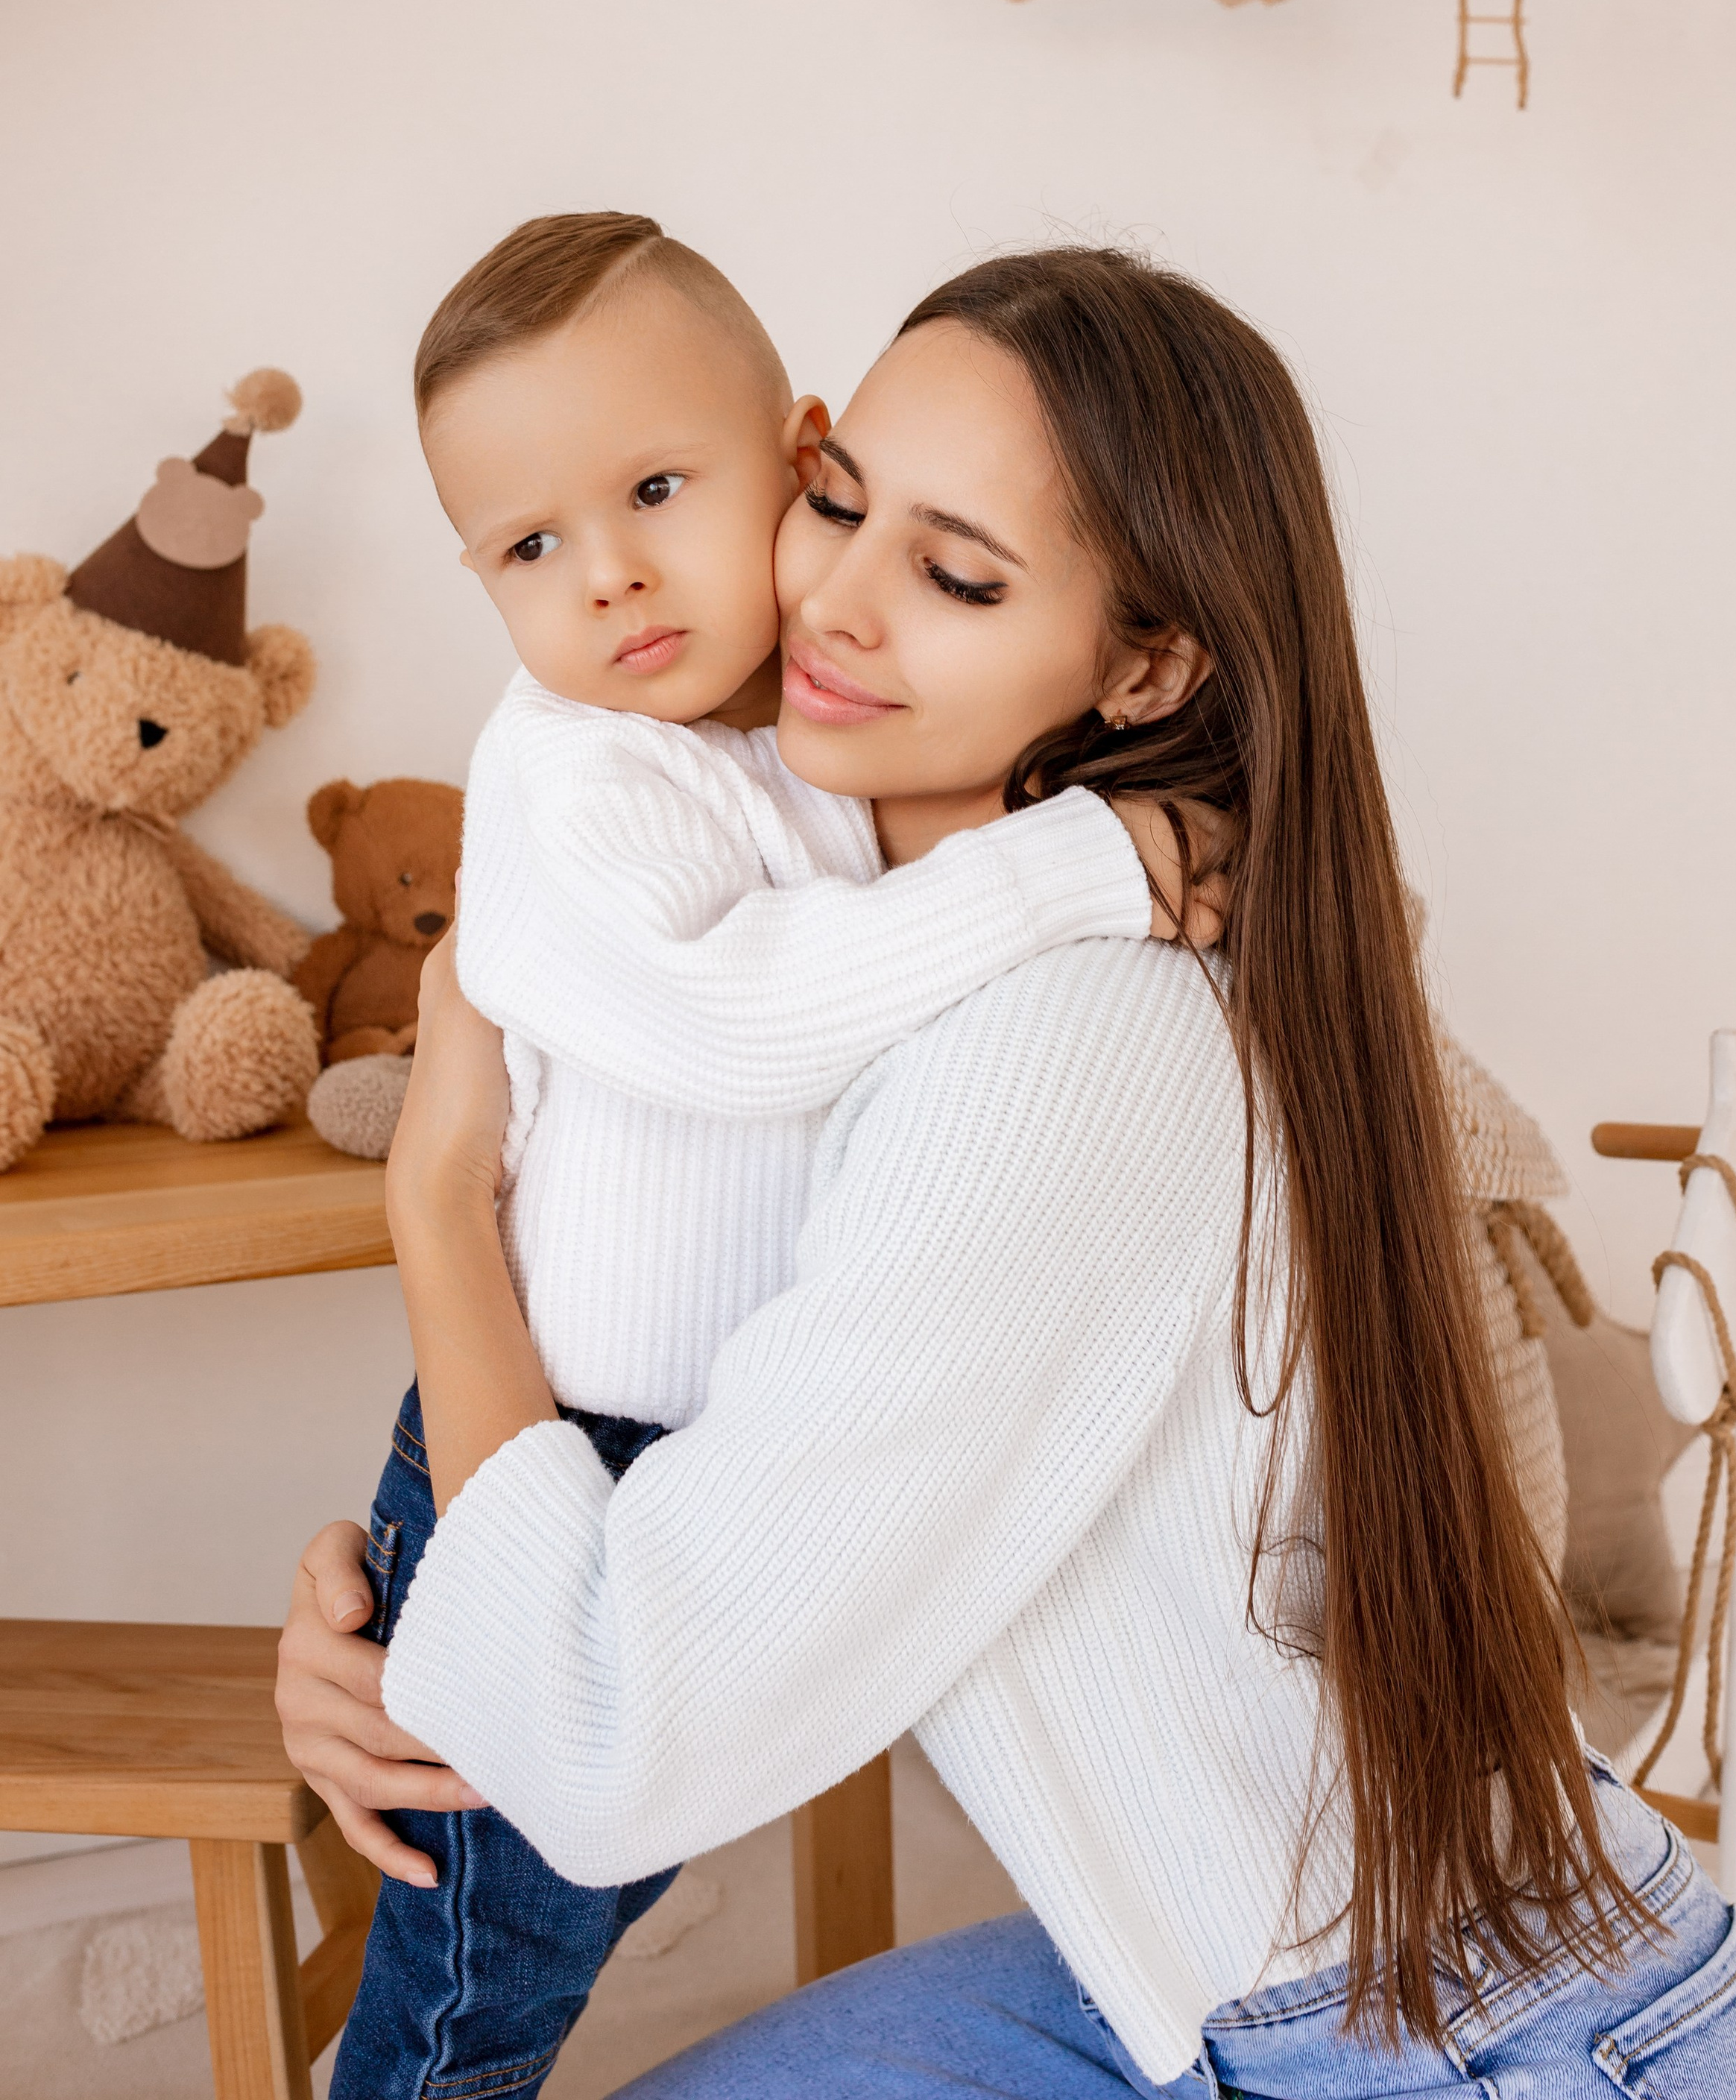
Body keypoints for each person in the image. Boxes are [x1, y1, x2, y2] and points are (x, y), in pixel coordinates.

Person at [279, 247, 1736, 2098]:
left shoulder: (1057, 1048)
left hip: (1487, 2053)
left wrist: (437, 1207)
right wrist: (417, 1630)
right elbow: (736, 1485)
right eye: (838, 504)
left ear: (1146, 657)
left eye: (953, 574)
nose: (835, 601)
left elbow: (609, 1742)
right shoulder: (889, 925)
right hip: (1306, 1958)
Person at [329, 215, 1190, 2100]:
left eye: (656, 489)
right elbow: (739, 1023)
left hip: (704, 1471)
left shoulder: (816, 758)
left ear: (780, 452)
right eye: (530, 549)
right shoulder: (577, 766)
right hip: (560, 1438)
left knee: (560, 1890)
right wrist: (1077, 870)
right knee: (476, 1984)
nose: (612, 580)